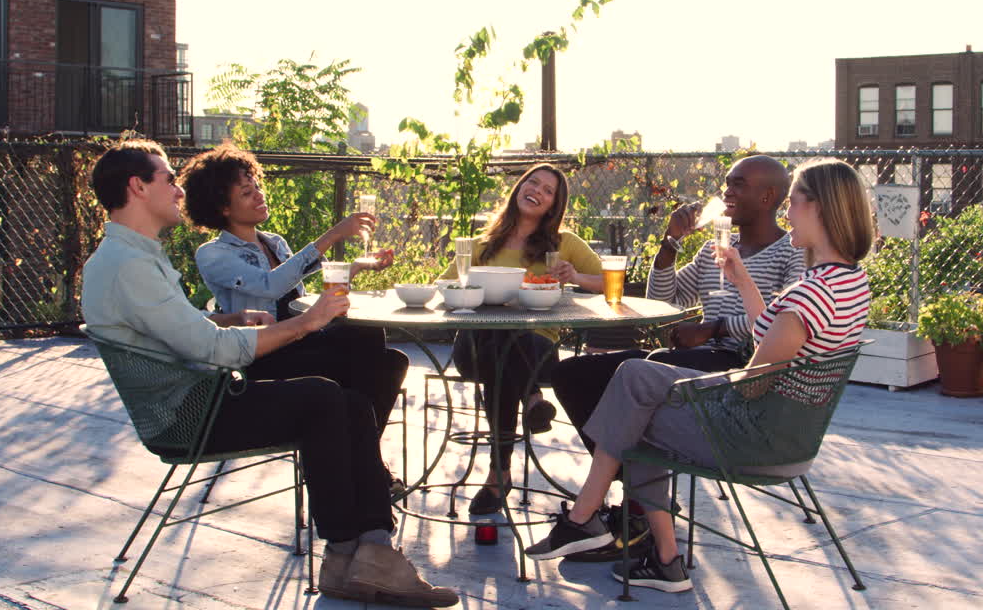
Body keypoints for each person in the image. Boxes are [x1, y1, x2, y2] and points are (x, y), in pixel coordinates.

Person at [80, 139, 457, 607]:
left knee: (351, 401)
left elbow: (176, 329)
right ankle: (360, 552)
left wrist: (229, 318)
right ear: (137, 187)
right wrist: (306, 321)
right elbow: (211, 350)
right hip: (190, 413)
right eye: (168, 180)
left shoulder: (130, 256)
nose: (178, 192)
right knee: (323, 398)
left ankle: (357, 554)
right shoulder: (129, 265)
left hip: (196, 397)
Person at [524, 158, 874, 595]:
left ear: (821, 210)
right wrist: (742, 278)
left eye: (797, 202)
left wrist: (684, 377)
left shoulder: (809, 293)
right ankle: (658, 558)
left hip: (753, 435)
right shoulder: (849, 282)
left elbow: (752, 383)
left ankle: (589, 519)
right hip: (791, 432)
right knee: (636, 383)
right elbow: (776, 333)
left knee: (635, 396)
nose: (788, 212)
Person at [551, 154, 805, 456]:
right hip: (701, 358)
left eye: (739, 185)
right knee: (571, 373)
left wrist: (713, 329)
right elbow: (662, 299)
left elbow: (781, 323)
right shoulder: (717, 250)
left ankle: (638, 490)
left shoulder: (792, 252)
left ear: (767, 196)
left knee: (638, 373)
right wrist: (670, 242)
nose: (727, 192)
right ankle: (626, 478)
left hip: (744, 368)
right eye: (726, 184)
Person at [179, 143, 407, 437]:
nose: (259, 195)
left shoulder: (274, 242)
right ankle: (362, 454)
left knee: (382, 350)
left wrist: (359, 265)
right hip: (265, 352)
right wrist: (335, 233)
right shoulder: (213, 254)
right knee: (374, 369)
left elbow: (300, 288)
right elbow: (270, 285)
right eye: (246, 193)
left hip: (302, 338)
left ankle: (360, 447)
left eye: (257, 187)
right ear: (223, 207)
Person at [437, 163, 603, 515]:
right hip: (473, 349)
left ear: (553, 205)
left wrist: (574, 276)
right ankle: (531, 399)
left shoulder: (564, 244)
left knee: (505, 348)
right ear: (519, 187)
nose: (537, 191)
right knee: (497, 329)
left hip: (536, 348)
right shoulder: (481, 245)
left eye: (548, 191)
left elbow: (609, 282)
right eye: (533, 182)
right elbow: (445, 287)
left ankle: (498, 475)